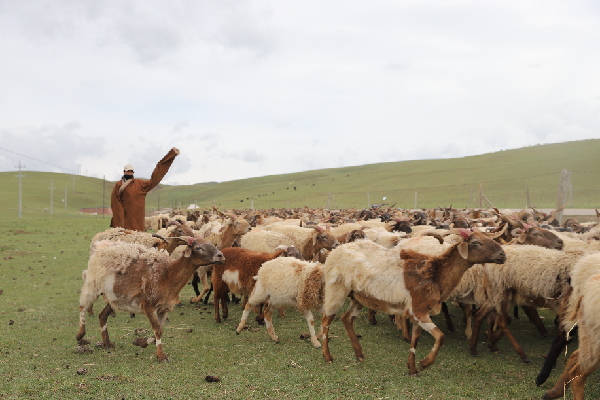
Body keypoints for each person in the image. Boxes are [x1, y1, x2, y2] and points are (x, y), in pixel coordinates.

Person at [110, 147, 180, 231]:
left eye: (131, 171)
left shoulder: (140, 184)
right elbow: (115, 203)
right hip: (124, 219)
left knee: (138, 238)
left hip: (137, 221)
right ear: (124, 172)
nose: (129, 172)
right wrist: (119, 221)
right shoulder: (118, 185)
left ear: (133, 173)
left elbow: (154, 179)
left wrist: (171, 156)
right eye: (128, 171)